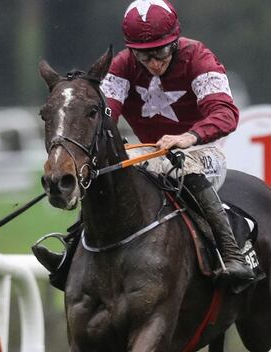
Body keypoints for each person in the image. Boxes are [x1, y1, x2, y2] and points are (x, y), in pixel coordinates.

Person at [33, 0, 256, 291]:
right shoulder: (123, 65)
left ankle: (231, 252)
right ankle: (73, 248)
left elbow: (226, 114)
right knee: (103, 168)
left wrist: (188, 137)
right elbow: (107, 112)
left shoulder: (199, 57)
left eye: (159, 52)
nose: (152, 63)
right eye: (143, 55)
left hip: (202, 151)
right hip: (150, 150)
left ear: (175, 42)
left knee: (181, 165)